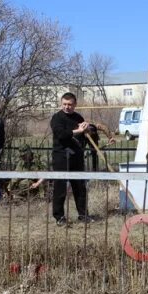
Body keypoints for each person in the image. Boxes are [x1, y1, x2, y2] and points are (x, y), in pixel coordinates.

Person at [49, 92, 92, 225]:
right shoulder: (57, 118)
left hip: (76, 155)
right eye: (65, 104)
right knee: (60, 187)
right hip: (61, 155)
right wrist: (77, 131)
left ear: (75, 105)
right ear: (61, 104)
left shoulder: (78, 117)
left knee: (79, 187)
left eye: (70, 104)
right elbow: (61, 134)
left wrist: (87, 129)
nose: (67, 107)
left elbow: (85, 135)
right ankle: (59, 217)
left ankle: (83, 214)